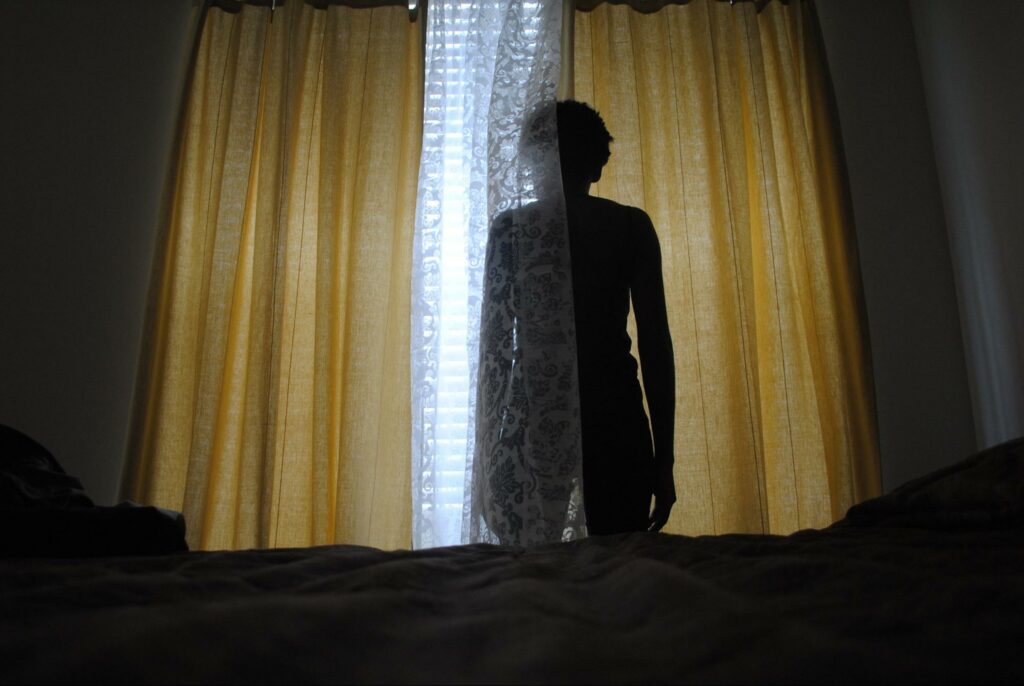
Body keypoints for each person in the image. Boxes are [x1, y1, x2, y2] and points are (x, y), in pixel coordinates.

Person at [557, 100, 677, 535]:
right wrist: (664, 460)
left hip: (538, 427)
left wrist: (493, 456)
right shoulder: (629, 227)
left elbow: (494, 356)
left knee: (534, 568)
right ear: (598, 165)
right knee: (621, 566)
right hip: (616, 422)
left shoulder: (511, 230)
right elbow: (655, 345)